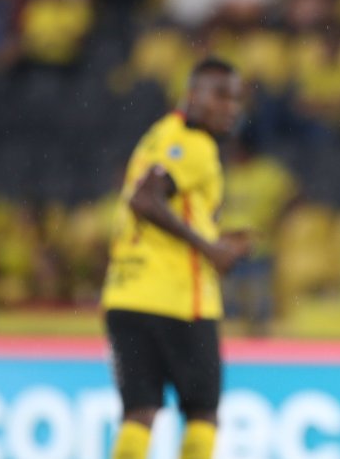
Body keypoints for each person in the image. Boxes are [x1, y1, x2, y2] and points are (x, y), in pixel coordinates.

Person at [101, 57, 251, 459]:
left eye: (235, 98)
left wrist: (217, 238)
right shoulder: (194, 144)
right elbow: (144, 198)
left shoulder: (158, 136)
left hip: (125, 296)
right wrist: (211, 249)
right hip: (179, 299)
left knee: (139, 413)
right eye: (219, 94)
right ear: (191, 95)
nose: (230, 107)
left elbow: (156, 203)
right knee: (202, 413)